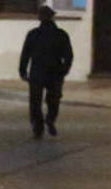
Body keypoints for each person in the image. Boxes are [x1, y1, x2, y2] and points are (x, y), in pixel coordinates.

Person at [19, 5, 73, 138]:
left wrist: (22, 70)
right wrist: (64, 70)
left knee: (35, 101)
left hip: (37, 71)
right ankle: (50, 119)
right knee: (54, 99)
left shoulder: (33, 34)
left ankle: (38, 128)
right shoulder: (61, 34)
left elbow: (25, 54)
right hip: (55, 71)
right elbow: (68, 55)